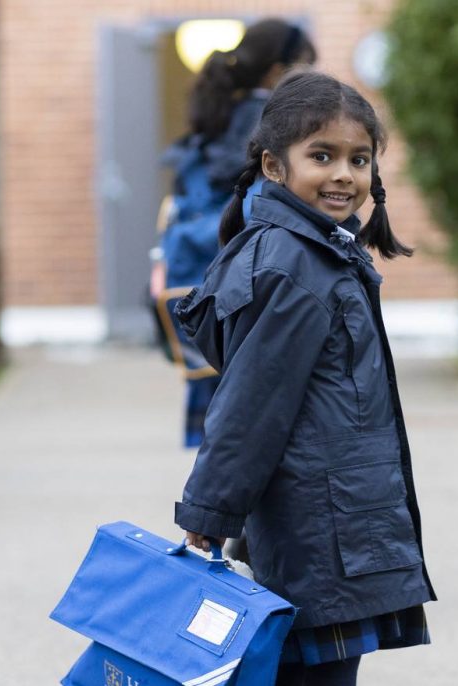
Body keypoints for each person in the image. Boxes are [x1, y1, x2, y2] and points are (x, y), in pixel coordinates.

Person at [173, 71, 433, 686]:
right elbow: (250, 405)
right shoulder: (296, 264)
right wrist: (208, 514)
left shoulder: (313, 252)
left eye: (359, 159)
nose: (344, 174)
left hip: (325, 526)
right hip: (322, 534)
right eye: (322, 156)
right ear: (273, 166)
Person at [152, 19, 317, 449]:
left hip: (197, 281)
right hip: (246, 286)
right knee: (256, 437)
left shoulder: (217, 118)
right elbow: (263, 209)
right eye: (305, 72)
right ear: (277, 72)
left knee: (218, 439)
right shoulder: (275, 126)